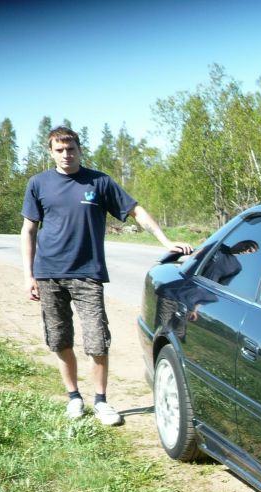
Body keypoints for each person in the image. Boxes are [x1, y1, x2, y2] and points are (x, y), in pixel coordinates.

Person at [21, 126, 193, 425]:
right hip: (49, 274)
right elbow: (29, 230)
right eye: (59, 150)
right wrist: (29, 275)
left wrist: (165, 241)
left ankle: (101, 401)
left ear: (79, 149)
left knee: (97, 341)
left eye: (70, 149)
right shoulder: (39, 184)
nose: (66, 154)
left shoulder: (99, 182)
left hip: (88, 274)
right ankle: (74, 397)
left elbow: (136, 211)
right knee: (60, 339)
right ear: (51, 153)